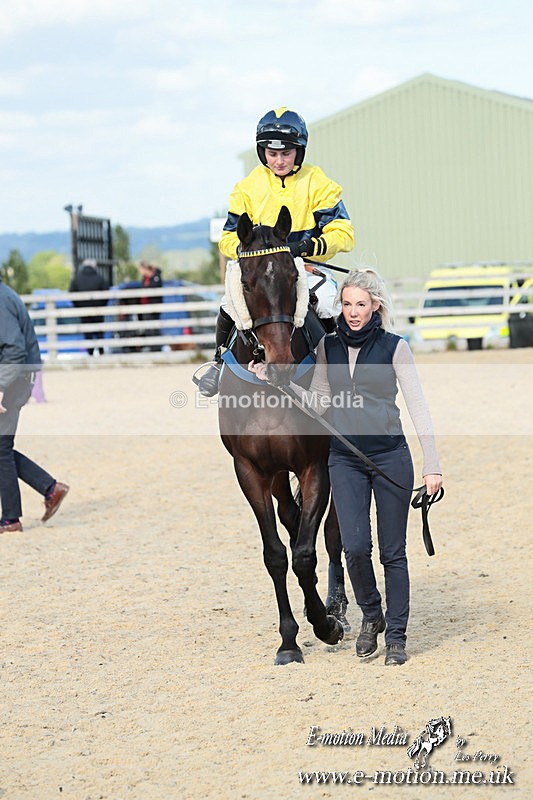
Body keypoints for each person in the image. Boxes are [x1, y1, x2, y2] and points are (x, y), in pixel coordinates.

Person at [250, 268, 443, 665]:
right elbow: (318, 402)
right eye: (348, 304)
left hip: (390, 457)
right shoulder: (329, 349)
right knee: (354, 549)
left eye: (362, 304)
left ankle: (397, 636)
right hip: (345, 460)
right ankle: (371, 617)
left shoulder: (395, 347)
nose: (354, 312)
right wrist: (276, 378)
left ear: (376, 307)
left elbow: (418, 407)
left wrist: (432, 465)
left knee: (393, 553)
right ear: (340, 306)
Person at [198, 106, 355, 397]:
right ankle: (219, 362)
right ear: (262, 152)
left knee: (329, 303)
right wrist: (252, 253)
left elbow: (343, 233)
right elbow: (227, 238)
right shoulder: (247, 187)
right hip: (257, 269)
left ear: (299, 152)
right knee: (227, 302)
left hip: (304, 268)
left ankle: (343, 376)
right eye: (272, 154)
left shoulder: (318, 182)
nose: (279, 161)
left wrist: (308, 246)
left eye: (286, 154)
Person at [0, 275, 69, 533]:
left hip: (13, 379)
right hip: (15, 377)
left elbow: (14, 348)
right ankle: (50, 489)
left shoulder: (0, 300)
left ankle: (11, 519)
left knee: (1, 447)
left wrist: (1, 386)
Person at [69, 259, 109, 355]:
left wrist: (79, 306)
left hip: (84, 310)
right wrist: (101, 305)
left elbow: (71, 294)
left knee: (87, 333)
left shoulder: (77, 278)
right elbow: (106, 293)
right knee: (99, 332)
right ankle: (101, 352)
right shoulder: (99, 278)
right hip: (98, 310)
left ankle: (90, 354)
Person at [138, 260, 163, 351]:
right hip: (145, 308)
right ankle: (152, 350)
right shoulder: (145, 278)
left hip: (153, 308)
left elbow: (154, 288)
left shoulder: (155, 277)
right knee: (148, 330)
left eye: (140, 269)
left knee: (154, 331)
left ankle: (156, 350)